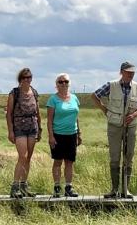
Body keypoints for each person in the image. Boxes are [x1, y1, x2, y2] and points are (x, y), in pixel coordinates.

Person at [92, 61, 137, 198]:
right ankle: (114, 190)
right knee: (114, 157)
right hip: (114, 126)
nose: (131, 75)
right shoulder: (111, 85)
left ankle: (125, 190)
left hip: (131, 126)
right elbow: (94, 96)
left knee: (129, 156)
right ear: (121, 72)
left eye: (132, 72)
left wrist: (134, 115)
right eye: (128, 72)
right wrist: (106, 111)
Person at [6, 68, 42, 197]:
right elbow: (9, 113)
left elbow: (38, 112)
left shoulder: (35, 92)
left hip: (32, 126)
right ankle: (15, 186)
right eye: (24, 77)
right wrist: (10, 131)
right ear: (20, 79)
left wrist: (40, 128)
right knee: (22, 156)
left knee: (28, 158)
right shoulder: (14, 93)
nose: (27, 80)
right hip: (19, 127)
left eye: (29, 77)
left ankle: (24, 186)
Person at [46, 74, 81, 198]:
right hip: (58, 134)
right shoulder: (53, 100)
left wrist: (79, 133)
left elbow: (76, 117)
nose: (63, 84)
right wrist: (51, 136)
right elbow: (49, 120)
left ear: (69, 83)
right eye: (60, 82)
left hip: (72, 134)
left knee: (70, 162)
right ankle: (56, 187)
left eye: (66, 81)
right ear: (56, 85)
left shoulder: (74, 98)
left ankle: (68, 187)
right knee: (58, 161)